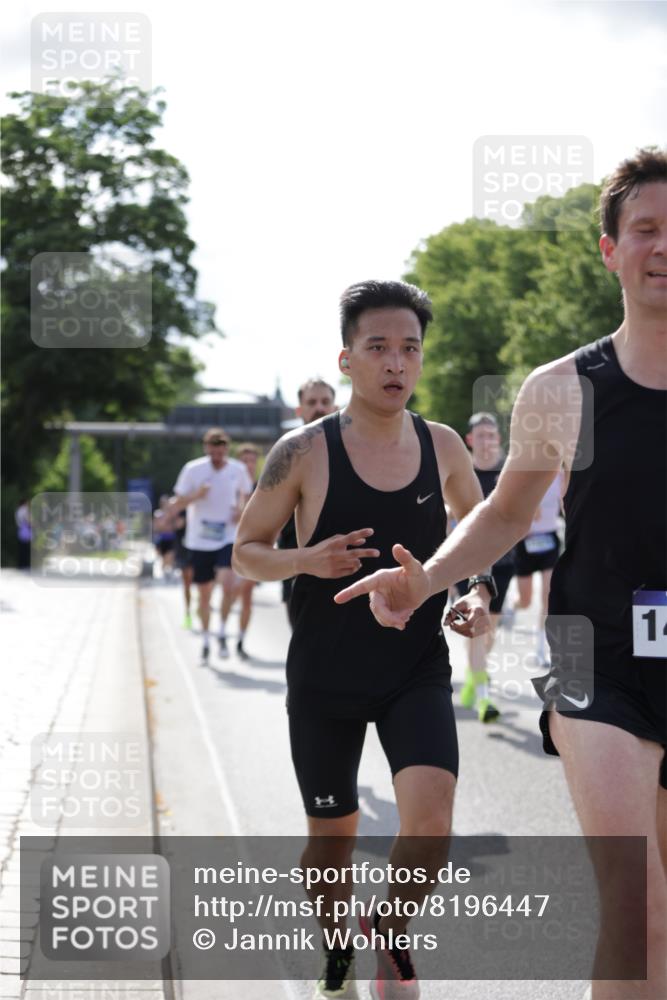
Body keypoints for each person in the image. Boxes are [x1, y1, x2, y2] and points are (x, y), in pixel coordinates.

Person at [335, 149, 667, 1000]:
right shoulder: (564, 389)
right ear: (609, 250)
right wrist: (429, 578)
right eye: (645, 230)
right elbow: (507, 513)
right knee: (636, 910)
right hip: (596, 659)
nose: (662, 246)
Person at [234, 280, 493, 1000]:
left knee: (431, 825)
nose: (395, 363)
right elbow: (245, 553)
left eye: (408, 348)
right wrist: (305, 560)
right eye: (377, 347)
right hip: (324, 676)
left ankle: (389, 926)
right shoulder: (302, 452)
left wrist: (474, 593)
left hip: (413, 666)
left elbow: (479, 536)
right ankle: (336, 943)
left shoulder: (441, 445)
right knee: (331, 841)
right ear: (346, 359)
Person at [451, 412, 516, 722]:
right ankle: (482, 697)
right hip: (469, 561)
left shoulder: (508, 471)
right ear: (470, 440)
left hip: (504, 560)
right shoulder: (462, 471)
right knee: (477, 628)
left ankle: (474, 677)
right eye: (482, 436)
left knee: (489, 632)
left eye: (492, 435)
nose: (488, 441)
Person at [172, 428, 253, 663]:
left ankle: (222, 633)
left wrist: (241, 510)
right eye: (213, 452)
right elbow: (177, 503)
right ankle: (206, 639)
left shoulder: (237, 470)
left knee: (228, 586)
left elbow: (247, 495)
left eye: (221, 452)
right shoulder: (193, 469)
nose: (217, 457)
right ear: (206, 448)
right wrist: (196, 495)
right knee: (204, 595)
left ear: (226, 449)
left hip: (227, 535)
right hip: (199, 539)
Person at [277, 378, 338, 626]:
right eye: (312, 402)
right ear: (299, 410)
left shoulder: (358, 451)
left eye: (325, 401)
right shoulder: (284, 455)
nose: (319, 408)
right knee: (304, 648)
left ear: (335, 407)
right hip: (297, 565)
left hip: (344, 566)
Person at [512, 470, 564, 663]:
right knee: (525, 600)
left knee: (548, 596)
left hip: (549, 539)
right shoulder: (523, 473)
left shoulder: (560, 475)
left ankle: (542, 648)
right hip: (525, 541)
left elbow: (566, 503)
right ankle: (513, 607)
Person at [233, 443, 262, 659]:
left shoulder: (264, 488)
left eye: (252, 461)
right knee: (228, 593)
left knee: (246, 595)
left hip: (252, 550)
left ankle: (240, 640)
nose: (249, 465)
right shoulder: (229, 486)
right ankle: (222, 631)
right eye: (245, 460)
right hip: (225, 548)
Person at [172, 508, 194, 629]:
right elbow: (176, 525)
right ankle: (188, 613)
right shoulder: (181, 508)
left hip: (201, 550)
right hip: (184, 551)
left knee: (205, 584)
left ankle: (203, 605)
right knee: (187, 584)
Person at [153, 494, 177, 580]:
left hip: (171, 538)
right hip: (162, 538)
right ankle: (164, 573)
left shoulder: (173, 514)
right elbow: (158, 527)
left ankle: (169, 572)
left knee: (170, 556)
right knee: (163, 558)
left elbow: (175, 526)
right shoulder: (158, 514)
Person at [15, 498, 31, 570]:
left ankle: (20, 564)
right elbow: (28, 520)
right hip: (25, 530)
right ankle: (26, 564)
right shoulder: (25, 510)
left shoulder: (18, 510)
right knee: (26, 548)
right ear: (24, 503)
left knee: (21, 548)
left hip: (20, 529)